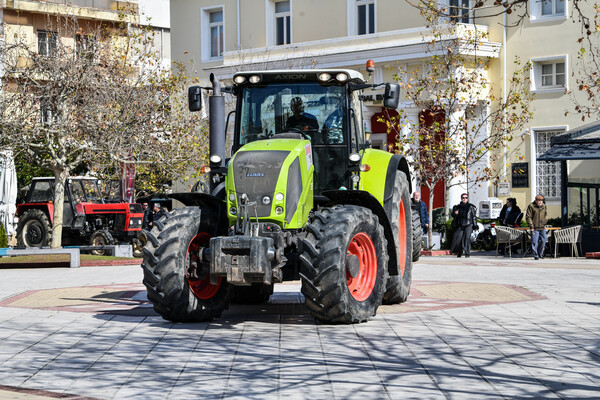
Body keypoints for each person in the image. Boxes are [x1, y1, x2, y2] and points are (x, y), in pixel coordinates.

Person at [451, 193, 478, 258]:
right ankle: (459, 252)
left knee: (467, 238)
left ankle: (467, 252)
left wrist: (475, 225)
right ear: (461, 198)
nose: (464, 199)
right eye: (463, 197)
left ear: (467, 199)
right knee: (459, 238)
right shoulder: (457, 207)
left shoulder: (471, 207)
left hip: (468, 224)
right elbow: (453, 215)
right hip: (460, 225)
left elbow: (474, 217)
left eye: (466, 198)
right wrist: (455, 213)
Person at [526, 194, 548, 260]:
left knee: (543, 240)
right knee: (534, 242)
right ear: (536, 200)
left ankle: (540, 253)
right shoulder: (531, 206)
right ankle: (535, 255)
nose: (540, 202)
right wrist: (531, 226)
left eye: (541, 201)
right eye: (539, 201)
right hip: (534, 228)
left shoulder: (544, 206)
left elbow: (546, 215)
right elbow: (528, 217)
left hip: (542, 227)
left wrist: (545, 222)